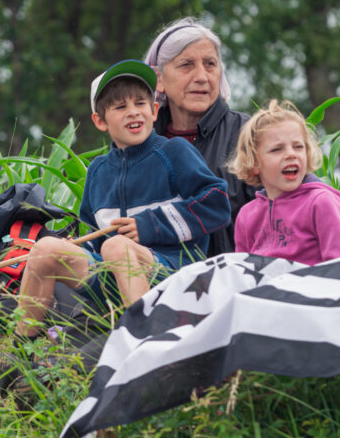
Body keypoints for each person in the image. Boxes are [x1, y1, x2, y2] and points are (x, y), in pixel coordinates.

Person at [14, 60, 231, 338]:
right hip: (113, 279)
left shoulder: (175, 152)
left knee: (118, 246)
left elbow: (217, 203)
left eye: (140, 103)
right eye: (120, 107)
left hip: (175, 276)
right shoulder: (97, 171)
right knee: (45, 248)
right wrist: (83, 248)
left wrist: (148, 225)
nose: (133, 113)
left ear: (154, 111)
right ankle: (20, 353)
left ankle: (143, 341)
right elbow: (95, 233)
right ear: (100, 121)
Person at [143, 17, 257, 256]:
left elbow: (296, 204)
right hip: (154, 285)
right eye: (186, 65)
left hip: (233, 284)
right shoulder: (138, 141)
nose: (202, 77)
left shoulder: (252, 135)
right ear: (159, 79)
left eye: (210, 64)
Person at [227, 100, 340, 265]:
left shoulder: (322, 203)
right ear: (255, 163)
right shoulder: (247, 216)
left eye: (298, 147)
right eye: (277, 149)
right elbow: (242, 274)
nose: (290, 154)